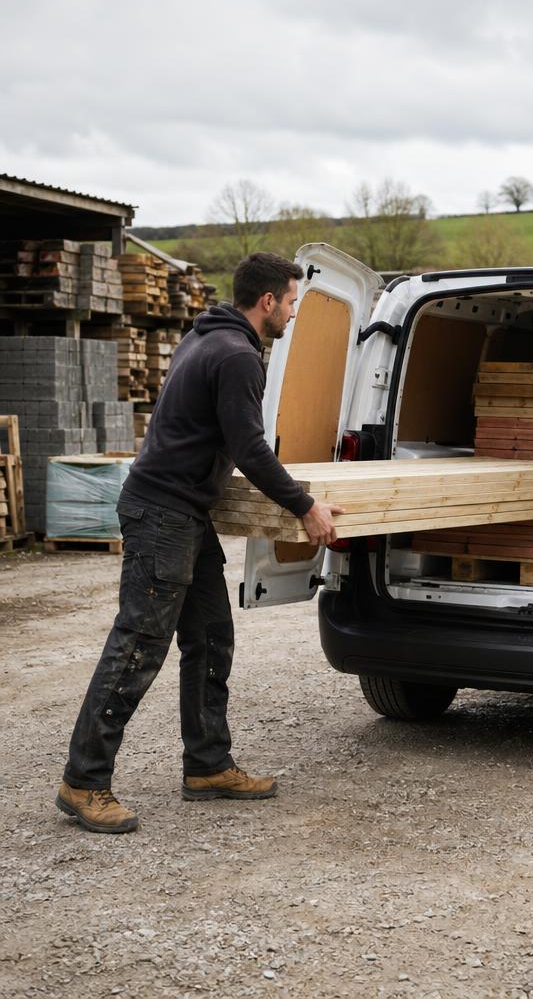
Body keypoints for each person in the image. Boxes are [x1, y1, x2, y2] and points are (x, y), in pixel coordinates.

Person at [56, 252, 342, 834]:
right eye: (292, 301)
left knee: (211, 634)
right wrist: (305, 506)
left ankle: (208, 765)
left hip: (183, 513)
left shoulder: (206, 337)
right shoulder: (236, 354)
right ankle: (83, 781)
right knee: (138, 645)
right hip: (163, 515)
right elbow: (251, 447)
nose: (293, 312)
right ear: (268, 302)